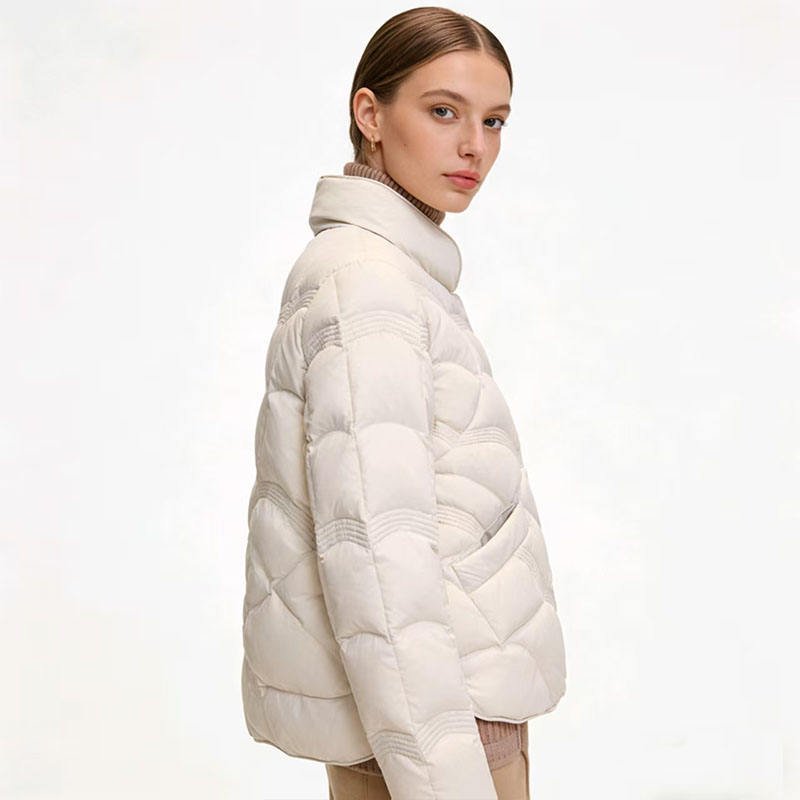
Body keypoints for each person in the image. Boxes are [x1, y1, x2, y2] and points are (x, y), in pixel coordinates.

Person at [240, 7, 567, 799]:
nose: (475, 146)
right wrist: (447, 779)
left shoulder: (389, 273)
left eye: (494, 121)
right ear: (371, 114)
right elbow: (377, 556)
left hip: (421, 720)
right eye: (443, 111)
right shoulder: (371, 285)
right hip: (440, 734)